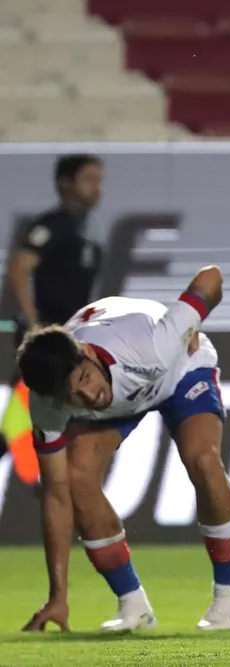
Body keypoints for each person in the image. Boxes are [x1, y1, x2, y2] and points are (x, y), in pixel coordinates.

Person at [18, 266, 230, 633]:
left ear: (86, 353)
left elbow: (212, 276)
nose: (91, 396)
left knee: (201, 459)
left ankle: (228, 595)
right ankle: (133, 605)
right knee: (76, 479)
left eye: (85, 379)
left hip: (178, 372)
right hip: (127, 401)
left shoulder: (151, 343)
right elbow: (56, 495)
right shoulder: (48, 404)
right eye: (74, 396)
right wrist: (57, 594)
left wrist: (195, 320)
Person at [1, 154, 105, 483]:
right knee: (31, 417)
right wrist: (34, 323)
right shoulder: (53, 225)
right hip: (51, 344)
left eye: (98, 179)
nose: (97, 188)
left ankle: (58, 486)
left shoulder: (85, 232)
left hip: (71, 338)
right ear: (65, 184)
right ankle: (56, 487)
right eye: (88, 179)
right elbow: (19, 266)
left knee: (43, 418)